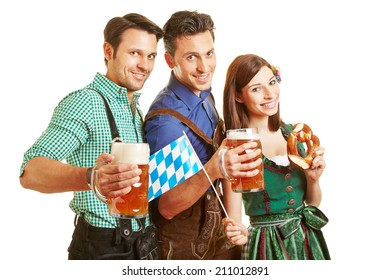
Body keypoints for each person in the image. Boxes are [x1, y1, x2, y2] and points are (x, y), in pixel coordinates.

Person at [19, 13, 163, 260]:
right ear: (108, 51)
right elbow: (30, 172)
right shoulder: (85, 102)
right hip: (103, 247)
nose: (145, 65)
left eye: (151, 56)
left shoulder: (134, 108)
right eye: (134, 53)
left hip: (142, 244)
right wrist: (91, 177)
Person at [143, 11, 262, 260]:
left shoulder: (204, 94)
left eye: (209, 53)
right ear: (169, 60)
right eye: (191, 57)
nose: (204, 67)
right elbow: (166, 207)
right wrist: (215, 168)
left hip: (216, 239)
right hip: (182, 251)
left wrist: (234, 222)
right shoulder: (166, 121)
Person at [221, 54, 330, 260]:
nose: (270, 94)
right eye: (256, 88)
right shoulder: (237, 149)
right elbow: (235, 220)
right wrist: (239, 235)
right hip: (266, 244)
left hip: (307, 239)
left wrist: (313, 178)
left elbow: (312, 202)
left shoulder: (294, 135)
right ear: (238, 96)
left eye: (272, 82)